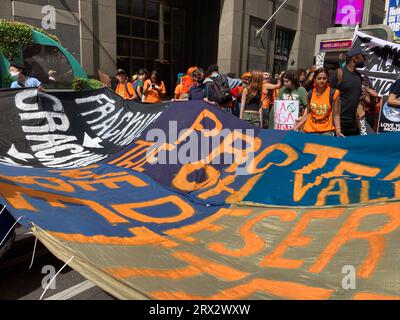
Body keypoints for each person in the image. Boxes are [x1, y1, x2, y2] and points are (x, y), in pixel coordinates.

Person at [329, 47, 367, 136]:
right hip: (337, 122)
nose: (365, 59)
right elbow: (327, 96)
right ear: (355, 58)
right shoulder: (338, 74)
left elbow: (356, 97)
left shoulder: (358, 76)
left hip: (353, 122)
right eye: (363, 57)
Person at [294, 68, 344, 137]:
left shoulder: (334, 93)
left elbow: (336, 115)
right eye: (319, 78)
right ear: (314, 80)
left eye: (324, 78)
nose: (322, 81)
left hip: (326, 131)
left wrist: (338, 131)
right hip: (310, 130)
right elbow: (308, 114)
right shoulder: (310, 94)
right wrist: (296, 127)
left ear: (327, 79)